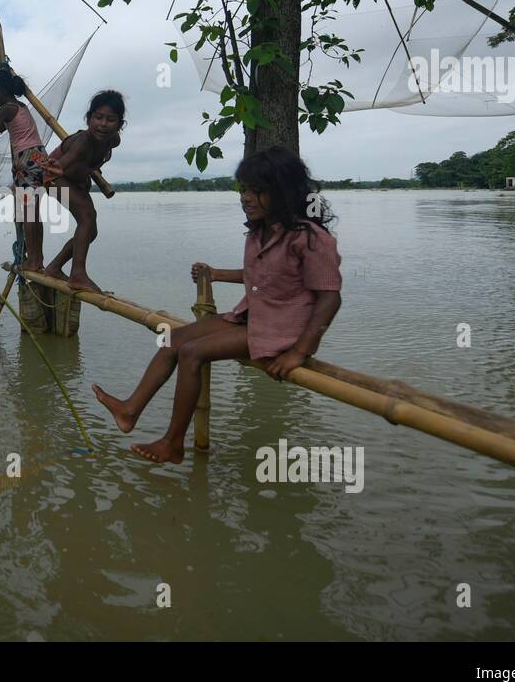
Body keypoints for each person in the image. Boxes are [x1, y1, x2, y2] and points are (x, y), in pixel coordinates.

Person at [91, 146, 342, 463]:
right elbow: (264, 276)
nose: (246, 198)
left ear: (283, 192)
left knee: (192, 352)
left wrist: (300, 351)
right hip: (251, 318)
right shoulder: (259, 232)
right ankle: (130, 410)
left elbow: (329, 297)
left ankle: (173, 443)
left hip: (281, 332)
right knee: (173, 339)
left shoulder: (310, 238)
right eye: (243, 190)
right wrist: (216, 274)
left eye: (257, 191)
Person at [37, 90, 124, 293]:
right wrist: (58, 166)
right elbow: (64, 163)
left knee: (90, 230)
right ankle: (78, 275)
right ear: (88, 118)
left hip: (76, 181)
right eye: (98, 117)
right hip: (55, 178)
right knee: (87, 218)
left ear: (119, 125)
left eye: (110, 119)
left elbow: (87, 162)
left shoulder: (113, 141)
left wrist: (88, 171)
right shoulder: (82, 141)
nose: (103, 124)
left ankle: (54, 266)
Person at [0, 67, 47, 272]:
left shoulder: (6, 109)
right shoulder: (22, 106)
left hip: (25, 160)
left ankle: (33, 261)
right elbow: (2, 129)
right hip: (40, 158)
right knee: (33, 212)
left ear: (0, 90)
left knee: (28, 213)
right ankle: (37, 258)